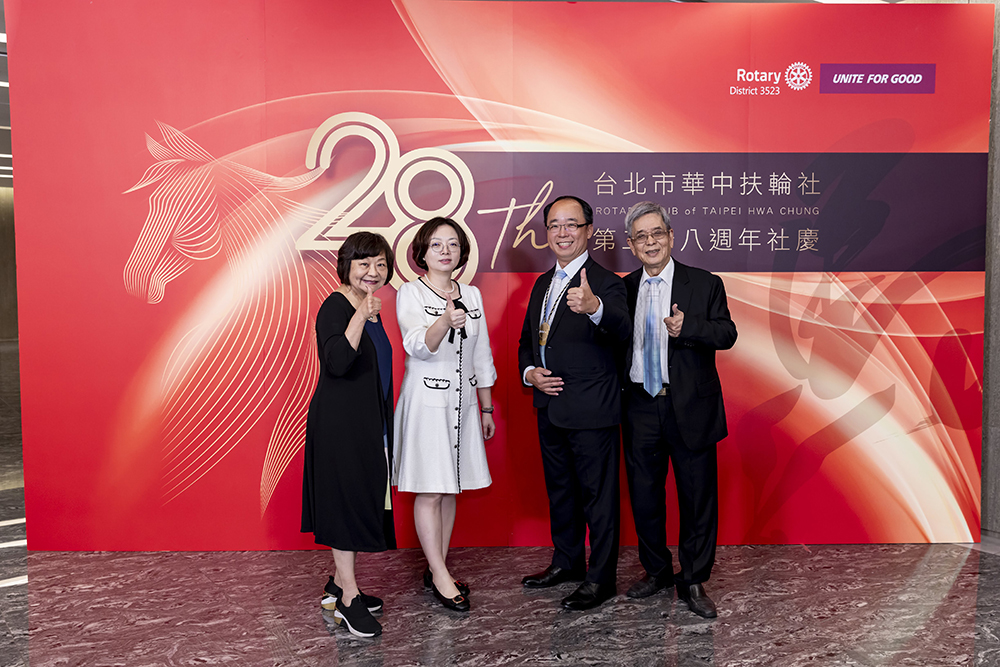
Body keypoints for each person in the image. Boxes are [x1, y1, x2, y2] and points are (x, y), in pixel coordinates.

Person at [620, 201, 737, 619]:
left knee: (697, 497)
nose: (650, 242)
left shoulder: (704, 283)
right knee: (644, 496)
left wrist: (689, 328)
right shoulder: (623, 289)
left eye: (657, 233)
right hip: (640, 404)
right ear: (631, 245)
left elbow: (727, 333)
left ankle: (693, 579)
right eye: (641, 236)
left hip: (689, 405)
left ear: (671, 236)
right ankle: (656, 571)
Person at [517, 195, 630, 611]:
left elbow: (623, 328)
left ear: (588, 231)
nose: (562, 233)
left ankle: (601, 579)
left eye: (571, 224)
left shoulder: (606, 282)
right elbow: (527, 342)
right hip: (550, 407)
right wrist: (530, 372)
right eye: (554, 225)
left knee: (599, 499)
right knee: (561, 492)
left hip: (592, 409)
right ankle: (567, 562)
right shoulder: (542, 284)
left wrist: (595, 307)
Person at [393, 217, 497, 612]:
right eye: (436, 244)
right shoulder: (410, 292)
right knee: (431, 488)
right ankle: (439, 574)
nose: (445, 251)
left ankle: (439, 566)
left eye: (452, 244)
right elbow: (417, 346)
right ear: (422, 252)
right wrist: (443, 321)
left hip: (464, 403)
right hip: (426, 403)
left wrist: (486, 406)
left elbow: (481, 354)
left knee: (451, 486)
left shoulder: (471, 294)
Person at [301, 231, 397, 638]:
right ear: (346, 266)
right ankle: (349, 599)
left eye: (380, 264)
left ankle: (338, 584)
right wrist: (360, 316)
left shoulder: (370, 306)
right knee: (344, 504)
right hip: (340, 425)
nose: (373, 272)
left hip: (367, 423)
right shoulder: (336, 306)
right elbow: (338, 362)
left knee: (358, 499)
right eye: (364, 264)